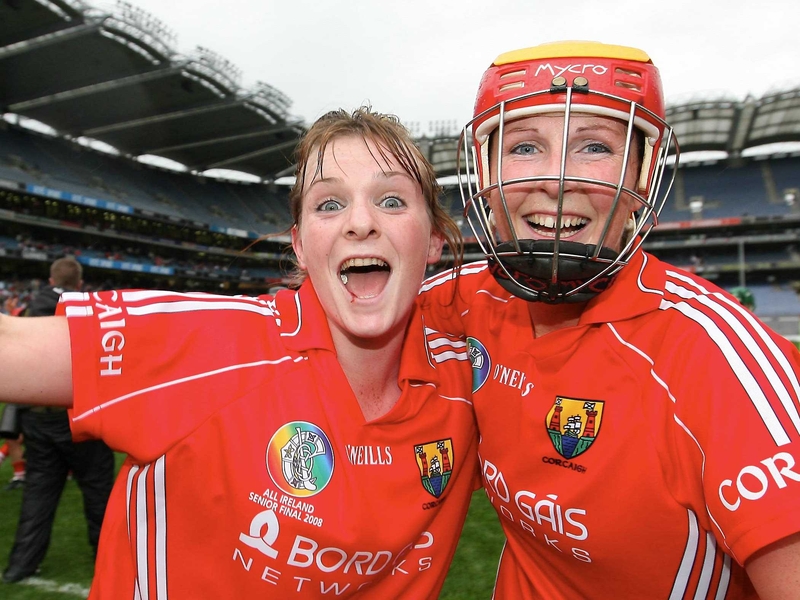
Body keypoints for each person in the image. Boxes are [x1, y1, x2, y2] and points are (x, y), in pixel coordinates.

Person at [0, 107, 479, 598]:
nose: (360, 222)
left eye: (392, 199)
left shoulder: (472, 382)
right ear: (299, 245)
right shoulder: (210, 343)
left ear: (436, 241)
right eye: (329, 204)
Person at [419, 41, 800, 598]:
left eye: (594, 146)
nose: (556, 180)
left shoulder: (713, 359)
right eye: (525, 147)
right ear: (485, 171)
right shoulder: (460, 301)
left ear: (642, 177)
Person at [3, 257, 116, 584]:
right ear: (78, 283)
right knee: (98, 492)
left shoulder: (26, 311)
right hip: (79, 417)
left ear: (49, 277)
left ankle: (20, 566)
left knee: (38, 493)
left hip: (37, 421)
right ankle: (107, 561)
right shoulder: (87, 309)